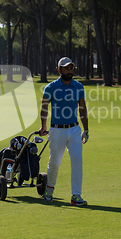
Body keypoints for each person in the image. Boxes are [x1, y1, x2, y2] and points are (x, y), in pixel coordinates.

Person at [39, 57, 89, 206]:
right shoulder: (51, 87)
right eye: (66, 68)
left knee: (77, 161)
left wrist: (86, 129)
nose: (69, 71)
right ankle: (49, 190)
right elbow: (44, 107)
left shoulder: (78, 87)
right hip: (57, 130)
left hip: (74, 129)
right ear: (59, 70)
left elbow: (82, 108)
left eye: (71, 68)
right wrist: (43, 125)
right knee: (54, 163)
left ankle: (76, 196)